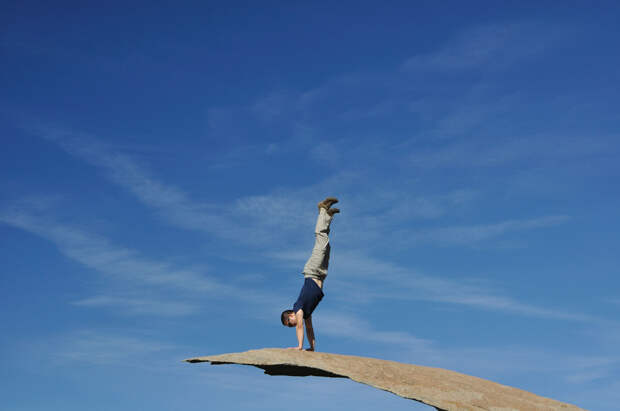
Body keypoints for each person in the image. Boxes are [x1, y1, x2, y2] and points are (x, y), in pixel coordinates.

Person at [280, 197, 339, 351]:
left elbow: (300, 327)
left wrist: (299, 347)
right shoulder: (306, 314)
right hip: (321, 275)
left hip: (312, 271)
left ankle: (322, 210)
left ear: (290, 315)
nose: (292, 326)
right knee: (326, 245)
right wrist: (311, 348)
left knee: (321, 241)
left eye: (289, 324)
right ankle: (327, 217)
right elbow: (309, 329)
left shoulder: (298, 308)